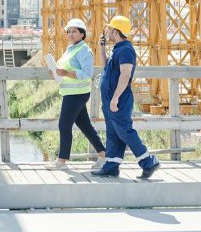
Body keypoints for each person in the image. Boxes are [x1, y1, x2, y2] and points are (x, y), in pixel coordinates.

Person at [91, 15, 160, 179]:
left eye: (109, 29)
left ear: (115, 31)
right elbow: (107, 68)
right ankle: (111, 165)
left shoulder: (126, 50)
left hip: (119, 98)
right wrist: (101, 49)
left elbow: (125, 75)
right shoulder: (118, 49)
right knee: (113, 132)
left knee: (124, 131)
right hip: (111, 98)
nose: (106, 31)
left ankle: (148, 161)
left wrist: (115, 98)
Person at [46, 18, 106, 170]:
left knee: (64, 125)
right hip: (71, 92)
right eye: (69, 31)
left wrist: (65, 72)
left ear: (82, 34)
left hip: (77, 93)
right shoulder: (70, 49)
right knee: (85, 126)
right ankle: (104, 155)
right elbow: (63, 68)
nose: (71, 34)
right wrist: (55, 71)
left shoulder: (84, 50)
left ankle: (62, 161)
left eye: (75, 31)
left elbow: (87, 73)